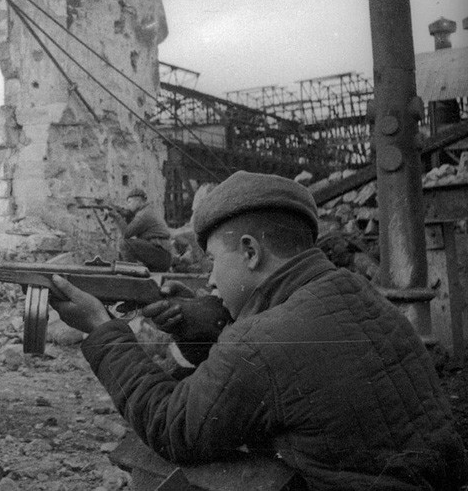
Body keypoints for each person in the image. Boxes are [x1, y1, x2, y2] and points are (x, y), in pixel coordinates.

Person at [51, 171, 467, 491]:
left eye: (214, 260)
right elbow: (284, 368)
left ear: (250, 251)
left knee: (146, 450)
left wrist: (101, 328)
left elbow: (170, 424)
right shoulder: (354, 291)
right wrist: (202, 321)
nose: (211, 279)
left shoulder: (259, 343)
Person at [109, 187, 173, 272]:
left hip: (162, 255)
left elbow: (126, 233)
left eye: (130, 202)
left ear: (138, 201)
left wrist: (117, 216)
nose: (128, 205)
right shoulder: (147, 210)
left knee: (124, 244)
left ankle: (131, 274)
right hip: (162, 255)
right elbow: (132, 228)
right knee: (126, 245)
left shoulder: (144, 214)